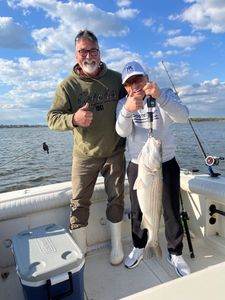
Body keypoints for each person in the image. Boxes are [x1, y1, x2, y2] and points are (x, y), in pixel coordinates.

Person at [47, 30, 126, 266]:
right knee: (79, 201)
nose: (88, 55)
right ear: (76, 54)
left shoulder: (116, 79)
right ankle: (81, 247)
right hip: (84, 155)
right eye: (83, 51)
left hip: (115, 152)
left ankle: (118, 246)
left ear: (100, 52)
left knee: (117, 198)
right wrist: (73, 120)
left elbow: (131, 102)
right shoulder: (67, 86)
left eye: (93, 50)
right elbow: (52, 119)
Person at [115, 61, 191, 277]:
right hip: (138, 165)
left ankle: (175, 252)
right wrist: (127, 111)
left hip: (165, 162)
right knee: (138, 210)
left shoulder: (164, 94)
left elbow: (184, 116)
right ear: (125, 88)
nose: (135, 86)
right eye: (129, 83)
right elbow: (121, 132)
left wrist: (160, 97)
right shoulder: (123, 104)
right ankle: (140, 246)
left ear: (147, 78)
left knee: (171, 209)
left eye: (138, 79)